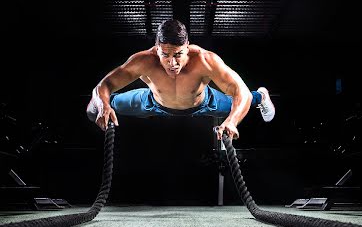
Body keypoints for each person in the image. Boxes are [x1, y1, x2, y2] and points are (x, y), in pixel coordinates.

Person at [87, 19, 275, 140]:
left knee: (246, 99)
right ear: (157, 48)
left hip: (204, 103)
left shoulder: (205, 60)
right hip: (152, 102)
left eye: (178, 55)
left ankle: (262, 96)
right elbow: (104, 85)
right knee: (96, 107)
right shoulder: (144, 61)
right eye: (165, 55)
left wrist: (232, 121)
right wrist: (103, 105)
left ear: (187, 46)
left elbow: (240, 91)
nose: (172, 63)